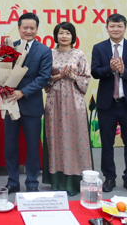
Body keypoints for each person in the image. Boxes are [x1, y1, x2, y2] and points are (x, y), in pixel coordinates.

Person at [91, 13, 127, 196]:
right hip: (107, 104)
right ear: (107, 28)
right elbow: (95, 72)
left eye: (119, 26)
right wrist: (110, 69)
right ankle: (109, 177)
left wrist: (124, 71)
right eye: (112, 26)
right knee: (107, 143)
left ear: (125, 28)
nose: (115, 29)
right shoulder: (99, 48)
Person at [4, 13, 52, 194]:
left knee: (32, 146)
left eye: (32, 28)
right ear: (19, 28)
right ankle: (12, 181)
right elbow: (2, 72)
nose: (28, 31)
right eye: (25, 27)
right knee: (10, 146)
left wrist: (22, 92)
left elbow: (43, 78)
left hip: (31, 105)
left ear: (37, 29)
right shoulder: (9, 48)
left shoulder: (44, 51)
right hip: (10, 104)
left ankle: (32, 182)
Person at [42, 22, 92, 196]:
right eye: (61, 33)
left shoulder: (79, 54)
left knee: (75, 139)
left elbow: (86, 79)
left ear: (73, 36)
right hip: (54, 102)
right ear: (55, 36)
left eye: (68, 33)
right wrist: (59, 76)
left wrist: (73, 76)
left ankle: (75, 182)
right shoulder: (49, 54)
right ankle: (57, 182)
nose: (64, 36)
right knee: (55, 139)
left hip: (74, 102)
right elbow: (44, 80)